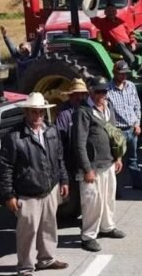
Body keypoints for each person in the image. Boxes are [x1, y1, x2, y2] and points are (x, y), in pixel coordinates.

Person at [0, 92, 69, 275]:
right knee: (27, 232)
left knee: (49, 227)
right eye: (33, 112)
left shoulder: (51, 130)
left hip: (50, 188)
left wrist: (63, 179)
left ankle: (46, 259)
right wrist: (9, 195)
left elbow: (59, 157)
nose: (38, 116)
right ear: (26, 112)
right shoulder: (14, 136)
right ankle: (25, 267)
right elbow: (5, 167)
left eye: (40, 112)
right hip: (27, 192)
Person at [74, 76, 125, 252]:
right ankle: (88, 236)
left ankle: (107, 227)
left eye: (104, 91)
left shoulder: (108, 106)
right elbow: (79, 143)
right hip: (92, 167)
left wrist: (118, 157)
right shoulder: (83, 111)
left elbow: (115, 134)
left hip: (109, 163)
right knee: (92, 203)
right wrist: (87, 169)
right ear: (91, 91)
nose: (102, 95)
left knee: (109, 198)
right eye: (98, 91)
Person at [107, 61, 142, 193]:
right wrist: (112, 131)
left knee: (133, 159)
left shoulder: (131, 86)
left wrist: (137, 123)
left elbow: (137, 106)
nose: (123, 76)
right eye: (121, 74)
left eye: (125, 74)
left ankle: (137, 183)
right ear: (114, 73)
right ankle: (115, 190)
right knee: (116, 160)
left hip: (132, 129)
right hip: (118, 130)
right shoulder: (108, 89)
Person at [54, 78, 89, 215]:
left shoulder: (87, 110)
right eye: (76, 94)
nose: (80, 97)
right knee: (73, 191)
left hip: (86, 157)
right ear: (71, 95)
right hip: (71, 158)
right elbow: (60, 139)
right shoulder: (64, 114)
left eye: (82, 94)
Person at [90, 5, 138, 70]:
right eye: (109, 11)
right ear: (105, 12)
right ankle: (133, 64)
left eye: (113, 11)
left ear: (116, 12)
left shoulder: (121, 22)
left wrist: (133, 42)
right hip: (115, 46)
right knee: (120, 43)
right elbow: (92, 16)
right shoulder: (101, 22)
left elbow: (130, 33)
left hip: (128, 44)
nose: (111, 13)